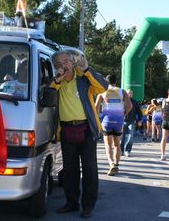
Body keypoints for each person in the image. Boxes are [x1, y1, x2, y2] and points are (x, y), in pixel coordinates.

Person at [50, 50, 107, 218]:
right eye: (59, 64)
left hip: (86, 130)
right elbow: (46, 93)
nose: (64, 65)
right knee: (69, 170)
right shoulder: (57, 83)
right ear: (55, 67)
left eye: (66, 61)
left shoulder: (83, 79)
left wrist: (88, 70)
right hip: (67, 131)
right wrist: (56, 80)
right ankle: (71, 203)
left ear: (72, 62)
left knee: (90, 170)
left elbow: (102, 87)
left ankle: (88, 205)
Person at [95, 74, 132, 176]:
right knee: (117, 145)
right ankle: (116, 165)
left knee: (108, 145)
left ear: (106, 82)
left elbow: (95, 108)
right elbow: (130, 105)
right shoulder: (122, 91)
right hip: (119, 120)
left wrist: (98, 119)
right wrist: (124, 113)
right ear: (116, 81)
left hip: (107, 121)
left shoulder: (102, 92)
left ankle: (111, 164)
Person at [120, 89, 143, 157]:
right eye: (128, 93)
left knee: (131, 136)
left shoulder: (135, 102)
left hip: (131, 121)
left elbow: (139, 112)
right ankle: (121, 151)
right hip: (122, 121)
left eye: (131, 93)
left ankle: (127, 151)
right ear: (126, 94)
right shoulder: (122, 101)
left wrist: (140, 120)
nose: (130, 94)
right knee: (122, 137)